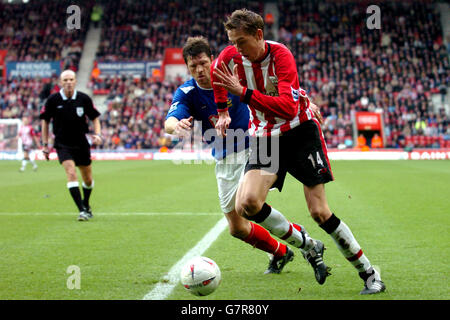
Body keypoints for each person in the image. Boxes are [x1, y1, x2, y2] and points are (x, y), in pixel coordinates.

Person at [212, 9, 385, 294]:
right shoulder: (230, 56)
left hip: (300, 131)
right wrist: (222, 112)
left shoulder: (281, 56)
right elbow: (219, 77)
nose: (236, 47)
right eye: (232, 41)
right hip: (266, 137)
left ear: (259, 35)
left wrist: (242, 93)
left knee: (319, 211)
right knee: (248, 204)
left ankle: (369, 272)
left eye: (241, 41)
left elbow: (288, 107)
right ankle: (308, 245)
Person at [165, 36, 329, 279]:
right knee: (237, 228)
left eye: (202, 63)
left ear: (213, 60)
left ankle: (306, 243)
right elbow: (169, 120)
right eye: (193, 66)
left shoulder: (234, 74)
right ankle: (281, 252)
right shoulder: (188, 92)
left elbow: (276, 86)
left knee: (251, 204)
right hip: (225, 159)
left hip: (259, 144)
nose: (199, 70)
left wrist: (306, 101)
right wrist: (175, 126)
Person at [40, 70, 102, 221]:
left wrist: (98, 134)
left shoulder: (84, 99)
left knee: (87, 179)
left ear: (75, 81)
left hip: (81, 143)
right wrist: (45, 144)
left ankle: (86, 204)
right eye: (65, 80)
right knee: (71, 173)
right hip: (62, 143)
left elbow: (95, 118)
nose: (68, 82)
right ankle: (82, 210)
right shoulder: (53, 100)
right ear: (61, 82)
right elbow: (45, 121)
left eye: (71, 79)